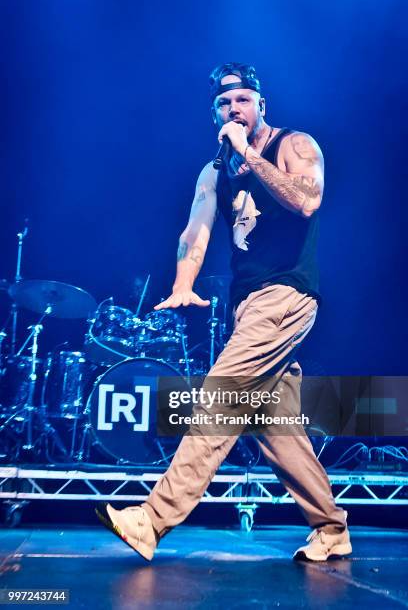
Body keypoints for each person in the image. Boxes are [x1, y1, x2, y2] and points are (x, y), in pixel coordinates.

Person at [96, 62, 352, 562]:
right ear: (213, 109)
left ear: (261, 104)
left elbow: (307, 201)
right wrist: (183, 284)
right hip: (247, 304)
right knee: (275, 428)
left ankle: (152, 519)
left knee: (221, 395)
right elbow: (196, 231)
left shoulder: (294, 145)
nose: (233, 109)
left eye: (242, 101)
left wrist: (249, 154)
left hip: (287, 295)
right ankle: (331, 527)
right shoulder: (214, 170)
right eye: (223, 103)